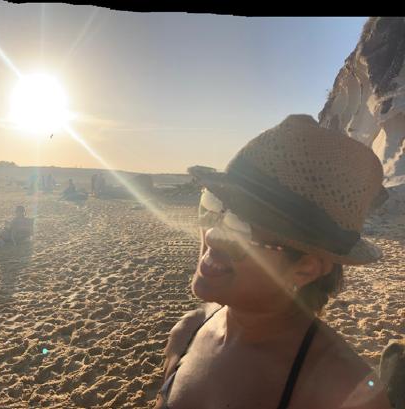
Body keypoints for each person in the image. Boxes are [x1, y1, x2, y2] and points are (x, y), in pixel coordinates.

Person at [157, 115, 391, 409]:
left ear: (306, 267)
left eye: (241, 227)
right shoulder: (187, 332)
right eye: (213, 207)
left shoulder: (344, 394)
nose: (214, 236)